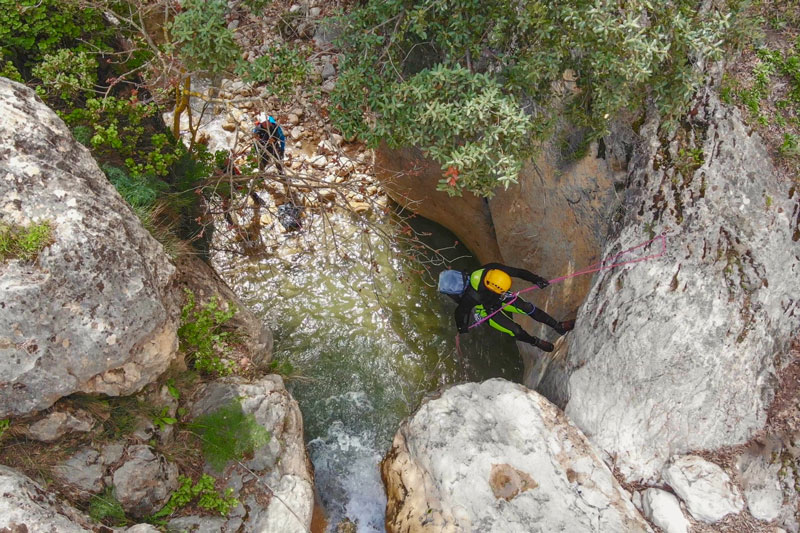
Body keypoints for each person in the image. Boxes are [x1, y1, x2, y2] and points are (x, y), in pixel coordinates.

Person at [442, 264, 575, 352]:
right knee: (516, 330)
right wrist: (462, 328)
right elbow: (460, 312)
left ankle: (558, 326)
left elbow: (517, 272)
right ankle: (535, 341)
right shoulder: (471, 297)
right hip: (486, 309)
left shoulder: (492, 269)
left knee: (527, 307)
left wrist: (536, 279)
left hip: (500, 296)